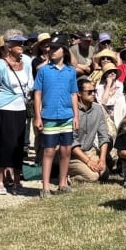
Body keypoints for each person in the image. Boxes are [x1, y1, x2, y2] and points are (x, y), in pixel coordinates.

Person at [32, 35, 79, 198]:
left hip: (66, 115)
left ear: (64, 51)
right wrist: (38, 116)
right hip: (49, 116)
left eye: (55, 48)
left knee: (66, 150)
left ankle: (63, 182)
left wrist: (76, 116)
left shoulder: (70, 71)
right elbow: (37, 94)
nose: (50, 51)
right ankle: (45, 186)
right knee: (49, 151)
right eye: (49, 48)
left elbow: (74, 94)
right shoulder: (43, 70)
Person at [0, 32, 32, 195]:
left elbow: (29, 84)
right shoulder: (1, 65)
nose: (20, 46)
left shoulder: (26, 63)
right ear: (8, 46)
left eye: (22, 43)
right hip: (4, 107)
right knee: (5, 144)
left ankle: (16, 180)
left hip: (20, 107)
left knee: (18, 144)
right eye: (16, 43)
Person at [69, 77, 111, 183]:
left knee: (104, 173)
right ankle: (69, 176)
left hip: (89, 150)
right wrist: (88, 162)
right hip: (72, 155)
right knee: (93, 177)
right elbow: (71, 141)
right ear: (79, 93)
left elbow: (104, 136)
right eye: (89, 92)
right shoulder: (71, 111)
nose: (93, 94)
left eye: (94, 91)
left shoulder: (98, 109)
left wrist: (102, 159)